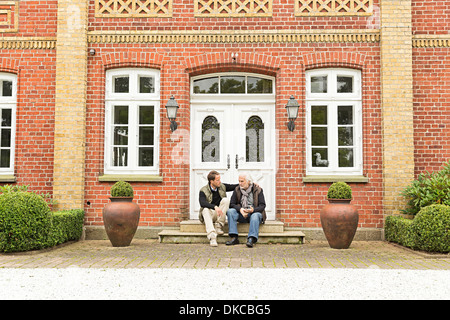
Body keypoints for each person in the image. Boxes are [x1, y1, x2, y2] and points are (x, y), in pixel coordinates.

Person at [226, 173, 266, 248]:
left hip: (254, 214)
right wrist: (240, 209)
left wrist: (253, 210)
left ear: (248, 181)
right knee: (230, 211)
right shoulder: (237, 189)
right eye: (239, 181)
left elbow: (262, 205)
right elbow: (232, 204)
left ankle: (251, 239)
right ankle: (234, 237)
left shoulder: (258, 190)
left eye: (242, 181)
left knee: (255, 215)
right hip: (242, 214)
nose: (240, 183)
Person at [198, 170, 238, 247]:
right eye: (217, 180)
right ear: (211, 181)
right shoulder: (203, 190)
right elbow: (202, 203)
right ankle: (212, 237)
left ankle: (218, 226)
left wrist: (250, 184)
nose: (220, 181)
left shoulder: (222, 186)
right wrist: (214, 207)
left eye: (220, 179)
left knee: (226, 200)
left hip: (219, 214)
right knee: (205, 209)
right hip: (209, 215)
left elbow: (234, 186)